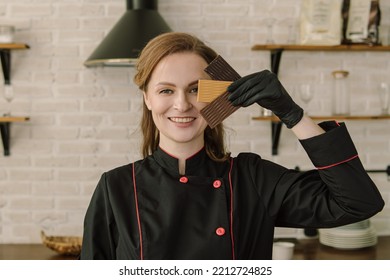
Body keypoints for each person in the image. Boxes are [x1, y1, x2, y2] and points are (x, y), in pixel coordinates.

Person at [79, 32, 384, 260]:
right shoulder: (116, 187)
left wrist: (292, 114)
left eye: (196, 89)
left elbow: (358, 202)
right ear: (147, 98)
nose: (182, 104)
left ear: (217, 95)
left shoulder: (253, 178)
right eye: (166, 90)